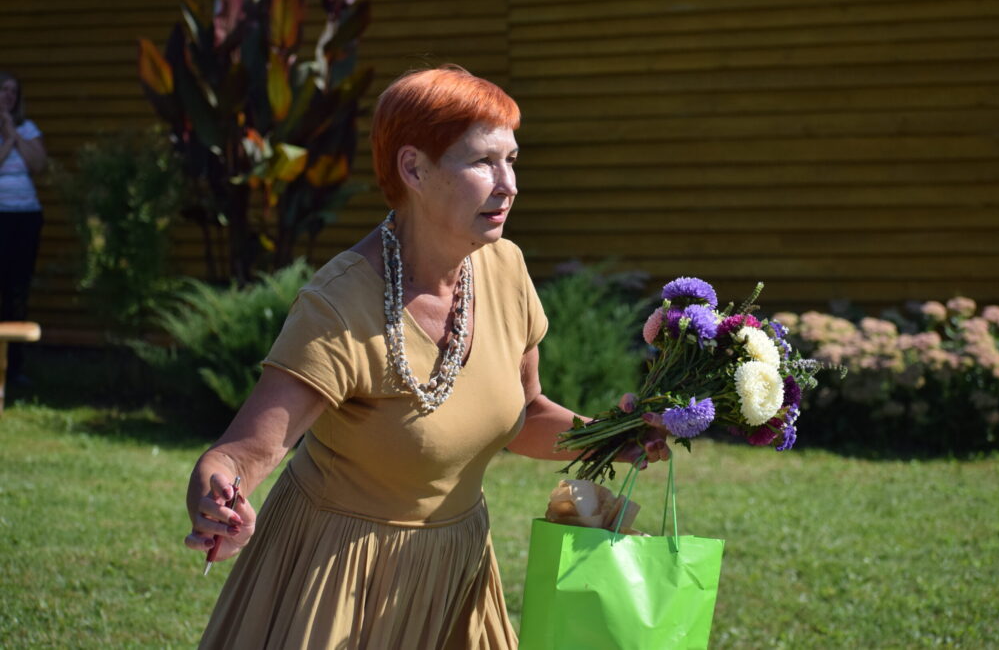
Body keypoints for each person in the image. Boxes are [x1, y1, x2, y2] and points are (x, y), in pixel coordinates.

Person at [184, 65, 669, 649]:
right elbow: (239, 455)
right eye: (483, 162)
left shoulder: (505, 268)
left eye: (512, 160)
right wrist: (219, 502)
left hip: (458, 574)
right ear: (413, 168)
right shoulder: (339, 306)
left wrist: (614, 436)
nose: (509, 184)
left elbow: (526, 413)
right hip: (340, 581)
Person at [0, 71, 47, 384]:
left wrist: (13, 132)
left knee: (17, 289)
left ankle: (13, 367)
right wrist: (7, 137)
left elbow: (38, 164)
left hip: (26, 216)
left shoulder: (28, 129)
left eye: (13, 92)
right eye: (3, 90)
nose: (8, 96)